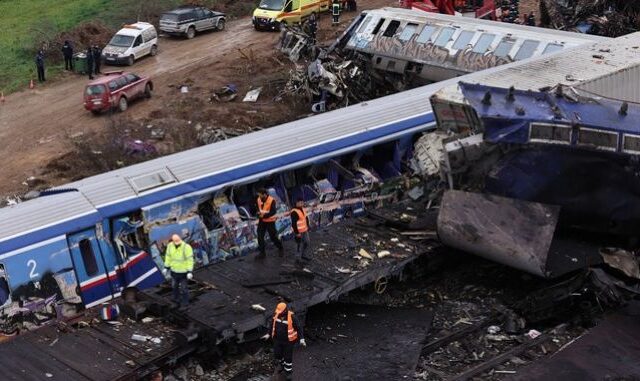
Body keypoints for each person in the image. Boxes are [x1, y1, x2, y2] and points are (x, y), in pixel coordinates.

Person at [263, 302, 305, 380]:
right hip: (277, 340)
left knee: (288, 357)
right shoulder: (276, 315)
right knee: (277, 355)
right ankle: (282, 365)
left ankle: (288, 372)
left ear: (285, 310)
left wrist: (302, 339)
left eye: (280, 312)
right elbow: (272, 325)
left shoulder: (292, 317)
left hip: (288, 342)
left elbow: (299, 328)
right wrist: (268, 334)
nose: (278, 313)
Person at [162, 234, 194, 307]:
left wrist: (189, 271)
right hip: (174, 272)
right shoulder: (170, 246)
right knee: (174, 286)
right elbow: (168, 257)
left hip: (183, 273)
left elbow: (190, 260)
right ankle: (175, 298)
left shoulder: (186, 247)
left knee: (184, 288)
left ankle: (185, 301)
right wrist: (166, 267)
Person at [256, 188, 284, 258]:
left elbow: (273, 211)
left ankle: (280, 248)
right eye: (258, 195)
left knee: (273, 237)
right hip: (262, 221)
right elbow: (258, 209)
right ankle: (262, 253)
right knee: (260, 236)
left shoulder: (271, 200)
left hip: (270, 221)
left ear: (264, 194)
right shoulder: (258, 199)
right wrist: (258, 214)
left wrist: (264, 215)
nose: (259, 196)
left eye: (260, 195)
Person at [290, 198, 310, 264]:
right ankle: (298, 259)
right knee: (298, 245)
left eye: (302, 202)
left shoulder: (303, 209)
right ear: (297, 203)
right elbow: (293, 223)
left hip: (305, 230)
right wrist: (297, 233)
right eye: (301, 203)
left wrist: (308, 226)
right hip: (298, 232)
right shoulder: (294, 212)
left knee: (307, 242)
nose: (302, 204)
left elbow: (305, 218)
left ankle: (303, 255)